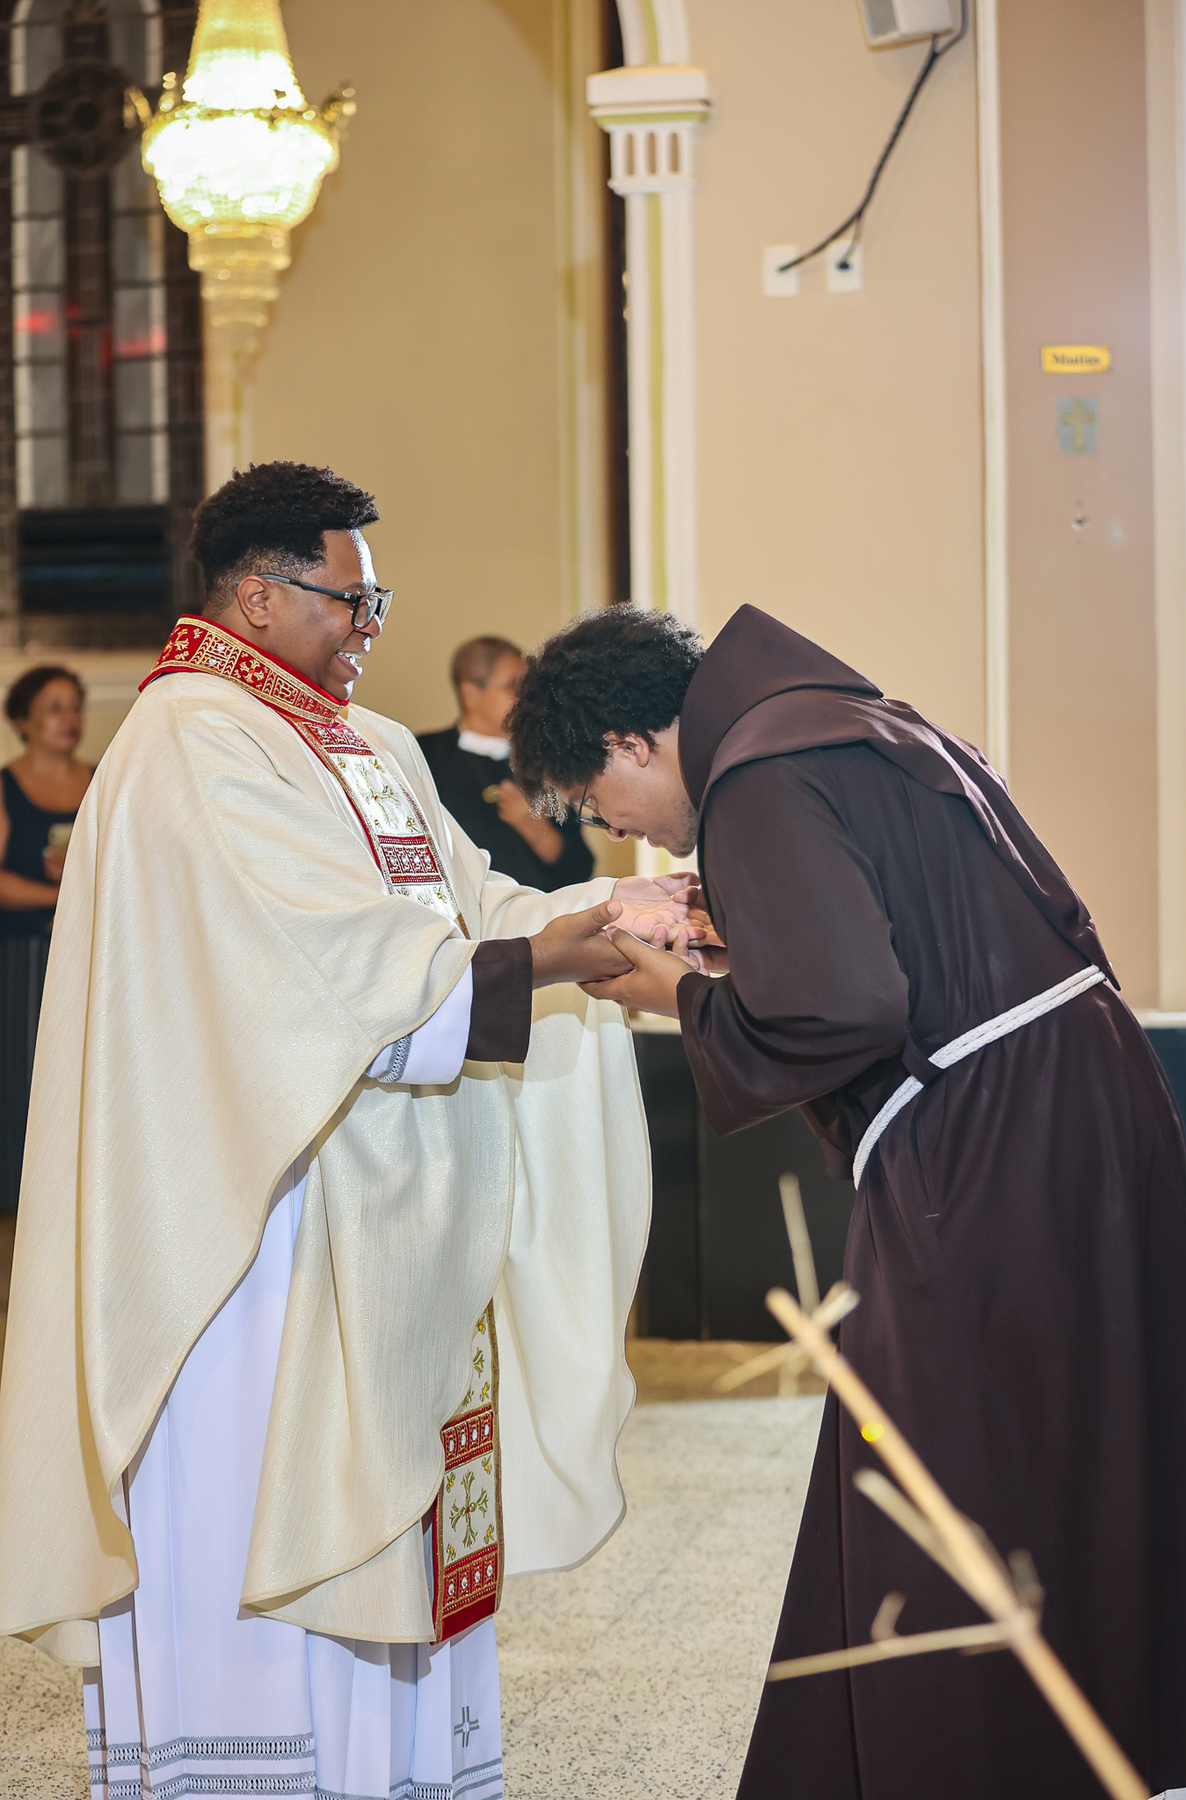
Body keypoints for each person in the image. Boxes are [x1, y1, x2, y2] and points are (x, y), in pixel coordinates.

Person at [0, 464, 700, 1800]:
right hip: (255, 1226)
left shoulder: (365, 743)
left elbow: (469, 905)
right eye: (350, 599)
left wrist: (618, 917)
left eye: (379, 600)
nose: (373, 624)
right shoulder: (188, 740)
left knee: (398, 1495)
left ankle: (396, 1772)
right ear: (259, 595)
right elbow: (318, 970)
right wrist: (552, 957)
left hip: (389, 1208)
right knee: (260, 1493)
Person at [506, 601, 1186, 1800]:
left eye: (591, 800)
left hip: (996, 1141)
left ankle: (979, 1758)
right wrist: (742, 939)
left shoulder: (758, 777)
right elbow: (897, 949)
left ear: (631, 744)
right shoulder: (841, 723)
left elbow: (844, 1010)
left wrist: (679, 997)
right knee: (1070, 1434)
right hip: (1070, 1103)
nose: (610, 829)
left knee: (952, 1452)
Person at [0, 666, 90, 1214]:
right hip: (24, 957)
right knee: (25, 1078)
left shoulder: (103, 779)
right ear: (23, 721)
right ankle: (22, 1206)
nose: (69, 718)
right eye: (54, 708)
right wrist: (60, 897)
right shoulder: (6, 786)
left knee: (81, 1076)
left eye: (74, 706)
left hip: (88, 957)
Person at [418, 636, 594, 890]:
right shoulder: (424, 754)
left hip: (541, 909)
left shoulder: (544, 760)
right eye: (513, 685)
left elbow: (581, 868)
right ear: (470, 695)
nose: (527, 697)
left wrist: (536, 830)